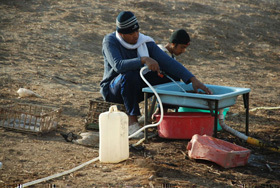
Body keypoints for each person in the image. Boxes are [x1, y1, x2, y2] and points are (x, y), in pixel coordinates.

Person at [100, 11, 212, 138]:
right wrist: (143, 59)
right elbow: (118, 65)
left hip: (134, 86)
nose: (136, 36)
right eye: (131, 34)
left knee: (171, 74)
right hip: (114, 89)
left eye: (137, 31)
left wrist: (192, 79)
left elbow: (168, 62)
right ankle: (132, 123)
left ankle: (160, 113)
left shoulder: (144, 42)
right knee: (129, 74)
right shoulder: (110, 41)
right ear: (121, 34)